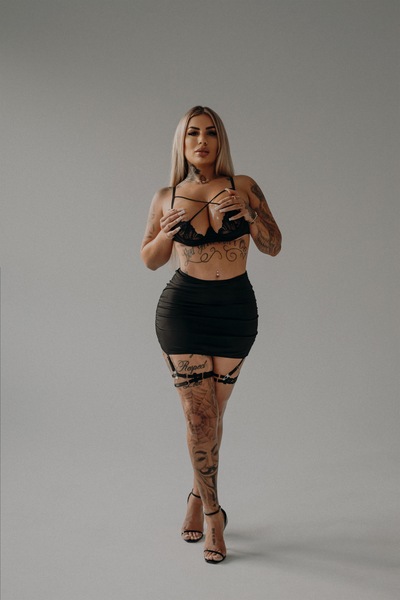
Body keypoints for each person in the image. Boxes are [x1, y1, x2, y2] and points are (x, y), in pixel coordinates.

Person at [141, 106, 281, 564]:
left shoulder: (243, 186)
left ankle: (194, 495)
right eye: (192, 134)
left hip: (235, 311)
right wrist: (165, 235)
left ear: (220, 141)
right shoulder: (166, 196)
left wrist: (251, 213)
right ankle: (214, 515)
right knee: (199, 419)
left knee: (214, 416)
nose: (201, 141)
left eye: (210, 133)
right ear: (181, 143)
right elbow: (150, 259)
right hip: (183, 311)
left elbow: (273, 245)